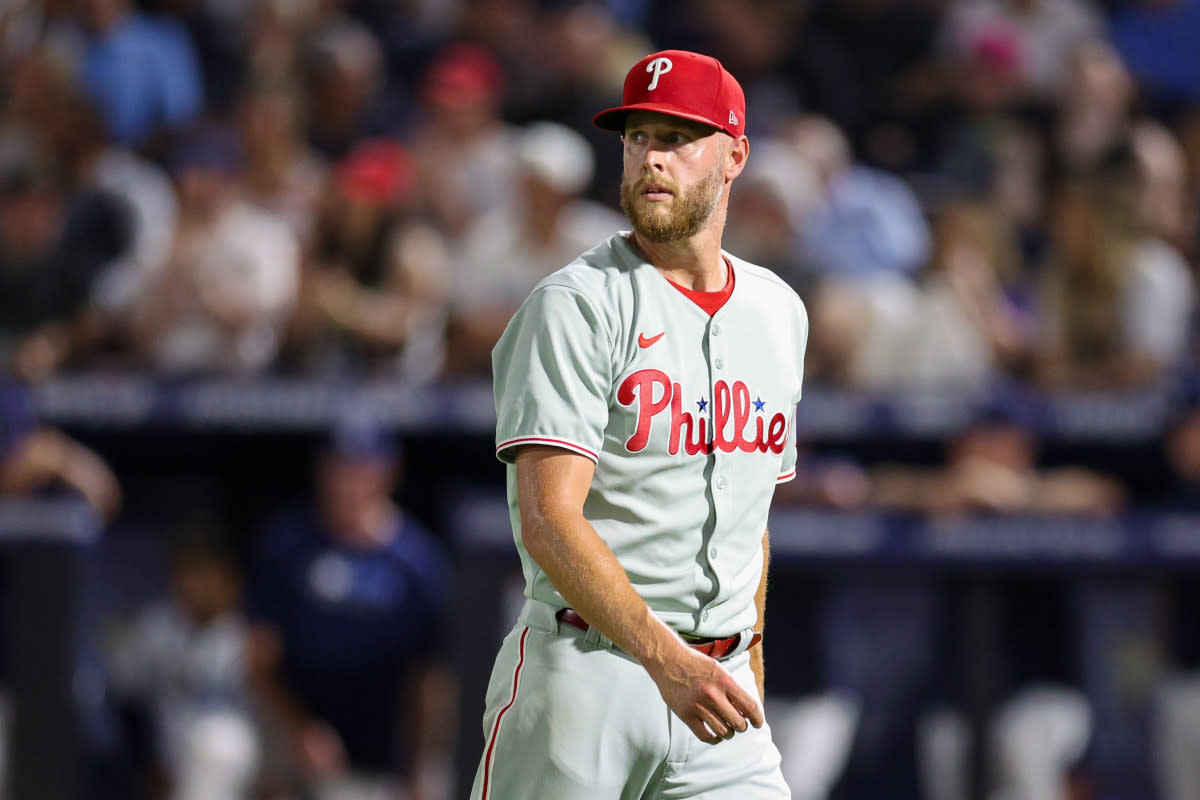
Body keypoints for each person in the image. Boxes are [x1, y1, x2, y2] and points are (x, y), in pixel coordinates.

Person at [472, 50, 805, 799]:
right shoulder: (576, 304)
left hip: (717, 693)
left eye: (678, 137)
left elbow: (750, 521)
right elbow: (550, 520)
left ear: (734, 155)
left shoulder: (779, 311)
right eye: (637, 138)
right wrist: (669, 661)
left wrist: (742, 664)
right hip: (586, 674)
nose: (652, 158)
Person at [246, 412, 454, 800]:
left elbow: (428, 679)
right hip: (295, 731)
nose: (345, 483)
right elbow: (258, 662)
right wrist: (298, 729)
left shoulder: (417, 561)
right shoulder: (286, 545)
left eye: (359, 469)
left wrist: (418, 767)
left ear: (387, 473)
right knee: (224, 748)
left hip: (382, 746)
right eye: (336, 468)